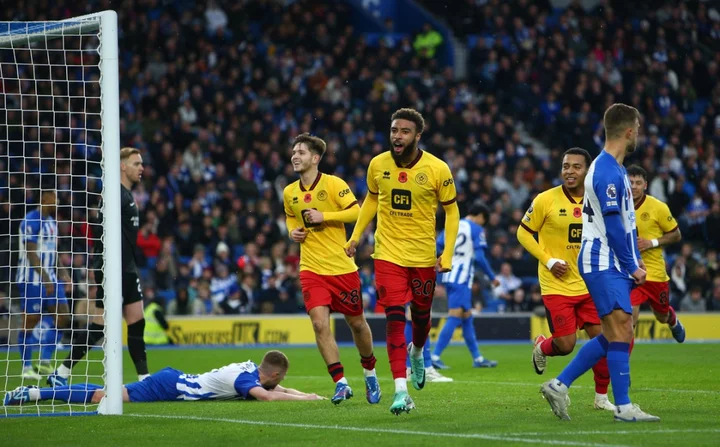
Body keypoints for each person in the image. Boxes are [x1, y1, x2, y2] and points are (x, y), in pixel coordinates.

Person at [541, 103, 660, 422]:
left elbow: (626, 224)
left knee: (615, 333)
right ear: (629, 131)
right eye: (638, 128)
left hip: (611, 262)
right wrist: (632, 265)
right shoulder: (607, 170)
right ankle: (622, 406)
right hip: (602, 261)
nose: (639, 134)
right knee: (622, 328)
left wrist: (634, 262)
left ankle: (558, 384)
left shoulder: (616, 168)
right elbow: (613, 226)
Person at [345, 108, 460, 415]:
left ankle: (418, 351)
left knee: (421, 319)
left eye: (405, 131)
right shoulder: (377, 164)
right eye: (394, 130)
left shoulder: (437, 168)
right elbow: (371, 199)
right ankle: (400, 390)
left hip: (422, 257)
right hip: (387, 255)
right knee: (394, 320)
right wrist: (356, 236)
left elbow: (451, 211)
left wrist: (446, 252)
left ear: (417, 136)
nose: (397, 136)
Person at [282, 133, 380, 405]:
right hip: (311, 268)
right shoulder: (289, 192)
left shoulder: (334, 184)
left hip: (341, 268)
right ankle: (341, 383)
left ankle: (370, 372)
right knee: (318, 324)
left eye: (301, 152)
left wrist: (325, 216)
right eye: (293, 151)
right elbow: (291, 218)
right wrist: (293, 233)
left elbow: (357, 212)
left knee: (357, 324)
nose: (295, 156)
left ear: (315, 158)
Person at [517, 148, 615, 412]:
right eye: (565, 166)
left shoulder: (596, 202)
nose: (569, 171)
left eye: (576, 167)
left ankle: (601, 397)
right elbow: (523, 233)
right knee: (566, 345)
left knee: (603, 339)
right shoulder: (545, 200)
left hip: (589, 283)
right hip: (556, 285)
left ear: (587, 170)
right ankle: (542, 345)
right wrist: (549, 261)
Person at [48, 148, 149, 386]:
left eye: (141, 163)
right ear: (122, 167)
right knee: (100, 326)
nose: (141, 168)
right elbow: (98, 230)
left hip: (126, 267)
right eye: (136, 163)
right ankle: (61, 373)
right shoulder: (114, 195)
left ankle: (144, 378)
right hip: (113, 268)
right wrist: (102, 266)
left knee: (137, 321)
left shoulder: (126, 195)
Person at [5, 350, 323, 405]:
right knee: (106, 398)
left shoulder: (252, 370)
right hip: (168, 385)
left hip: (173, 379)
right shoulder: (246, 382)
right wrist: (307, 398)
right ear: (273, 373)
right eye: (279, 378)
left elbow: (278, 388)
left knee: (106, 393)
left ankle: (36, 392)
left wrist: (305, 396)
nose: (279, 382)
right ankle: (33, 395)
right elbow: (268, 395)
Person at [432, 203, 500, 370]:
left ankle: (477, 358)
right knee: (455, 316)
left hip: (449, 274)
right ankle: (434, 355)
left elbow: (439, 246)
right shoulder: (476, 229)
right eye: (483, 221)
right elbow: (479, 257)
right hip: (462, 278)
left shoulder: (452, 224)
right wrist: (492, 277)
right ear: (480, 217)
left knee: (466, 316)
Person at [626, 165, 685, 342]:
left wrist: (651, 243)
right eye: (630, 183)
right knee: (629, 319)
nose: (634, 186)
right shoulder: (617, 207)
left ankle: (672, 319)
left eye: (638, 183)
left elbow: (676, 235)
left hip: (654, 273)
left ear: (645, 184)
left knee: (661, 315)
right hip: (630, 272)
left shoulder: (658, 207)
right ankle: (621, 366)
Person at [16, 189, 70, 380]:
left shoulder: (51, 223)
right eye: (55, 198)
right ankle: (26, 367)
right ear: (45, 198)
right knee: (30, 321)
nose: (58, 201)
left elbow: (53, 253)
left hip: (51, 279)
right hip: (32, 280)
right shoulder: (30, 220)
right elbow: (31, 253)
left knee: (63, 316)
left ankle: (45, 362)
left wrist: (63, 273)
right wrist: (46, 278)